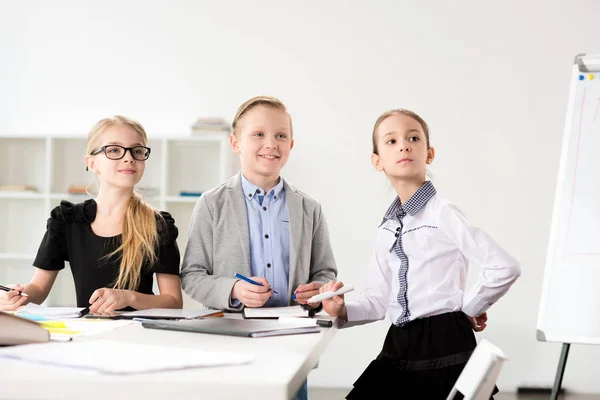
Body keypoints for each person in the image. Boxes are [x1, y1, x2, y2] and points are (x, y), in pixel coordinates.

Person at [319, 109, 521, 399]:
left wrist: (468, 308)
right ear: (377, 161)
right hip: (400, 344)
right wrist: (342, 311)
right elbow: (377, 302)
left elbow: (505, 266)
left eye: (413, 138)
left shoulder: (443, 212)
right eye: (391, 141)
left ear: (429, 153)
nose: (404, 145)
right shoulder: (388, 228)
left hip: (446, 345)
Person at [181, 95, 338, 400]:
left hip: (291, 341)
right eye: (258, 134)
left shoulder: (309, 208)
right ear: (235, 142)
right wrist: (235, 290)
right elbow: (192, 275)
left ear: (291, 145)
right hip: (229, 341)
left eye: (281, 135)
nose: (271, 143)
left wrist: (317, 290)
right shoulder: (212, 204)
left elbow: (325, 269)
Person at [0, 115, 183, 314]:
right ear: (92, 162)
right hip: (85, 335)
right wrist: (16, 295)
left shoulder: (158, 225)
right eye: (114, 150)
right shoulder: (67, 220)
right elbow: (38, 289)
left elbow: (173, 301)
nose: (129, 157)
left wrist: (130, 297)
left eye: (137, 151)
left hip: (139, 335)